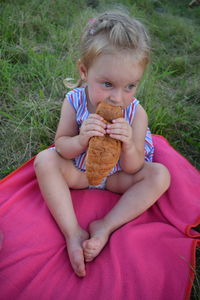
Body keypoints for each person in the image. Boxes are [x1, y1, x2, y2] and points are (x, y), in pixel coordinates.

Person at [34, 10, 171, 278]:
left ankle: (105, 226)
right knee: (45, 161)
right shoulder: (74, 102)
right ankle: (73, 232)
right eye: (108, 84)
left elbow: (134, 167)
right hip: (80, 172)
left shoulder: (135, 113)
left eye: (130, 86)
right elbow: (61, 145)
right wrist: (81, 139)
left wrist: (129, 144)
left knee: (159, 176)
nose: (118, 98)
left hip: (117, 177)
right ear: (84, 72)